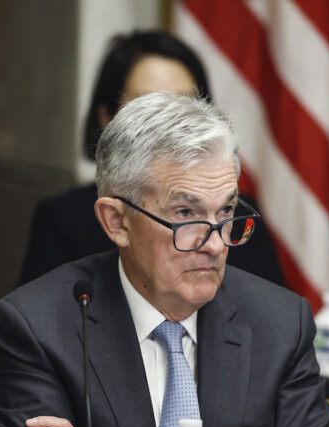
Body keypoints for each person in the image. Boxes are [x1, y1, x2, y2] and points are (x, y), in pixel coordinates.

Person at [0, 92, 329, 427]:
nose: (216, 244)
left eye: (225, 213)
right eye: (185, 214)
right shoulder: (37, 325)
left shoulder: (280, 322)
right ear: (116, 221)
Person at [19, 30, 285, 288]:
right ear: (107, 118)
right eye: (147, 109)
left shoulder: (237, 217)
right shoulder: (64, 220)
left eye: (185, 106)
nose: (169, 127)